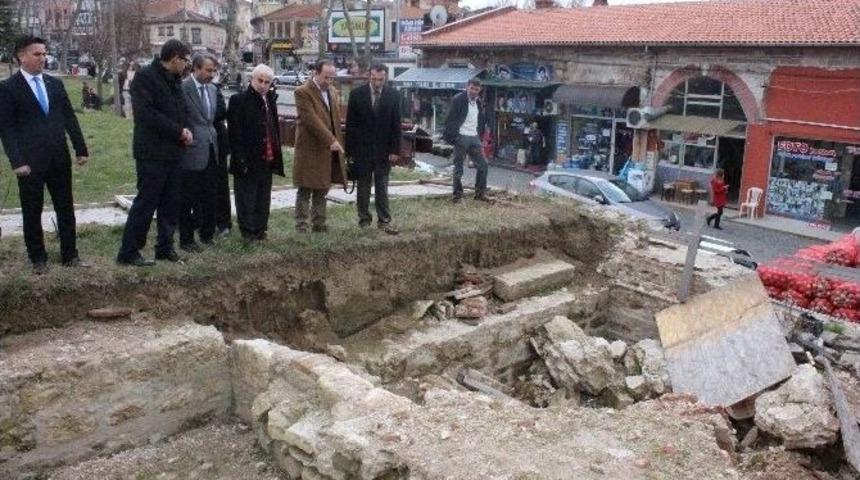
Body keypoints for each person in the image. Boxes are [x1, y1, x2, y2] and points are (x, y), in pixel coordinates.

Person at [0, 35, 90, 274]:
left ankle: (70, 255)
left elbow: (69, 117)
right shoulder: (8, 88)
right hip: (29, 162)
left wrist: (80, 149)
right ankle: (38, 259)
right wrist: (17, 161)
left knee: (65, 207)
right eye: (37, 54)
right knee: (32, 210)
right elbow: (6, 129)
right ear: (21, 56)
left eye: (44, 53)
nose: (43, 58)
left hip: (59, 158)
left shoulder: (54, 84)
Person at [116, 39, 193, 266]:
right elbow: (146, 115)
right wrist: (178, 131)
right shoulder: (145, 77)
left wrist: (185, 129)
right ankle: (129, 251)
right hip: (152, 152)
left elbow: (182, 109)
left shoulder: (176, 80)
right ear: (175, 58)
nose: (187, 65)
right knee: (146, 202)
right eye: (186, 60)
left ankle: (165, 247)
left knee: (171, 202)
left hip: (175, 152)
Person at [227, 64, 285, 242]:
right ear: (252, 79)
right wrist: (240, 159)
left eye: (267, 82)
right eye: (260, 80)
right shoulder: (239, 100)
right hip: (247, 158)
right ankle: (248, 233)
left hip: (266, 157)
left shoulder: (269, 100)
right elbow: (235, 134)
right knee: (246, 198)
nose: (263, 85)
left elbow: (273, 127)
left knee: (263, 197)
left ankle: (261, 231)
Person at [345, 64, 401, 235]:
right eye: (374, 79)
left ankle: (384, 220)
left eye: (381, 79)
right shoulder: (357, 94)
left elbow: (396, 124)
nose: (377, 83)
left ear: (385, 78)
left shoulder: (393, 95)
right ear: (369, 76)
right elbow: (351, 125)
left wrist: (394, 150)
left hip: (384, 150)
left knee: (382, 186)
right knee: (363, 186)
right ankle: (364, 219)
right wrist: (350, 151)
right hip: (362, 150)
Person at [292, 59, 347, 233]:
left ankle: (319, 223)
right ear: (316, 73)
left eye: (332, 78)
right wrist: (331, 141)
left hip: (326, 149)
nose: (329, 81)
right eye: (326, 77)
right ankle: (301, 225)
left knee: (322, 187)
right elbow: (311, 121)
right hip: (309, 148)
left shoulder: (331, 91)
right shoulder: (302, 92)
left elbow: (334, 120)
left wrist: (337, 142)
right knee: (305, 187)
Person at [178, 53, 223, 252]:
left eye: (214, 70)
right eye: (208, 70)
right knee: (188, 197)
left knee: (211, 195)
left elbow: (211, 119)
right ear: (195, 69)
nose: (212, 74)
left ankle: (207, 234)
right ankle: (186, 239)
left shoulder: (213, 89)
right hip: (191, 150)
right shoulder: (183, 88)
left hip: (211, 149)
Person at [442, 78, 491, 204]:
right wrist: (455, 137)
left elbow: (480, 120)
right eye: (472, 88)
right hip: (461, 136)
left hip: (474, 137)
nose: (474, 91)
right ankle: (457, 196)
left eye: (476, 89)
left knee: (483, 165)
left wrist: (479, 135)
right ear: (467, 87)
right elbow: (449, 120)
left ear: (480, 90)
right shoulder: (458, 100)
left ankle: (480, 193)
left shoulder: (479, 102)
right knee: (459, 167)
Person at [212, 80, 232, 237]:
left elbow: (221, 111)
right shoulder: (186, 87)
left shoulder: (214, 89)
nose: (211, 74)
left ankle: (223, 223)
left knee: (221, 185)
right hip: (198, 145)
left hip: (218, 142)